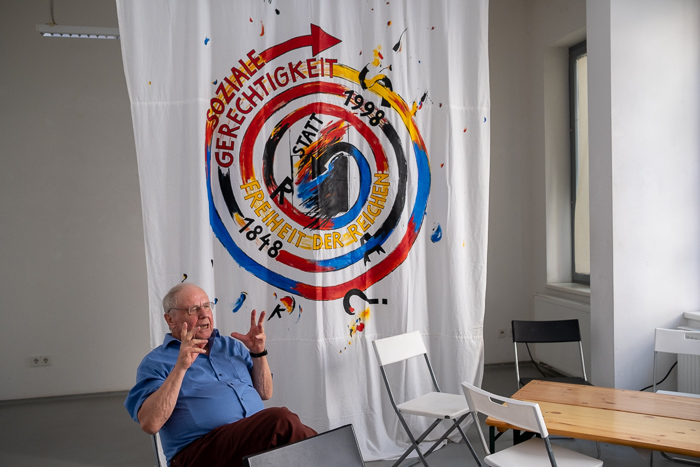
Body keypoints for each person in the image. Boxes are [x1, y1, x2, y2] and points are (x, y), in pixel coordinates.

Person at [125, 283, 317, 466]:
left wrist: (258, 353)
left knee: (300, 439)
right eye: (193, 309)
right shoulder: (155, 362)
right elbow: (150, 424)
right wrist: (180, 368)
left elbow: (265, 392)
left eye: (206, 306)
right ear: (170, 320)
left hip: (252, 443)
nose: (203, 314)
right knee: (281, 421)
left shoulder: (231, 346)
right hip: (196, 453)